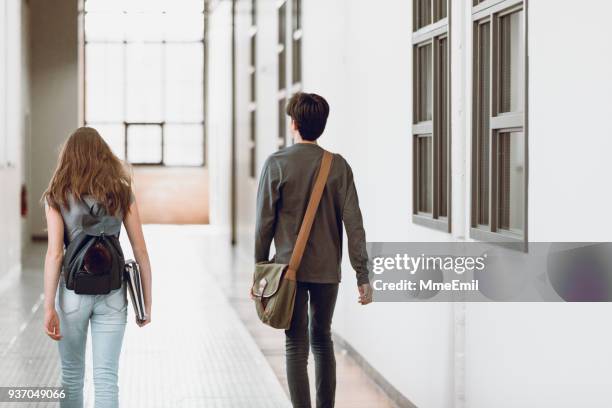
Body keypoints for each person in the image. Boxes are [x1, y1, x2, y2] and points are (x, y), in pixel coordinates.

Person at [255, 92, 372, 408]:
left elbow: (263, 224)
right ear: (322, 125)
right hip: (326, 271)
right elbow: (354, 225)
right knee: (322, 339)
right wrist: (363, 274)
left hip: (286, 272)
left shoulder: (276, 164)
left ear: (293, 123)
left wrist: (259, 274)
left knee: (295, 344)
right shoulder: (338, 167)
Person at [42, 127, 152, 408]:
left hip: (72, 294)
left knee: (71, 377)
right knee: (106, 379)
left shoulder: (57, 194)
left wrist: (48, 308)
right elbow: (140, 250)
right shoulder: (122, 192)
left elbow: (55, 254)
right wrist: (146, 303)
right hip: (113, 291)